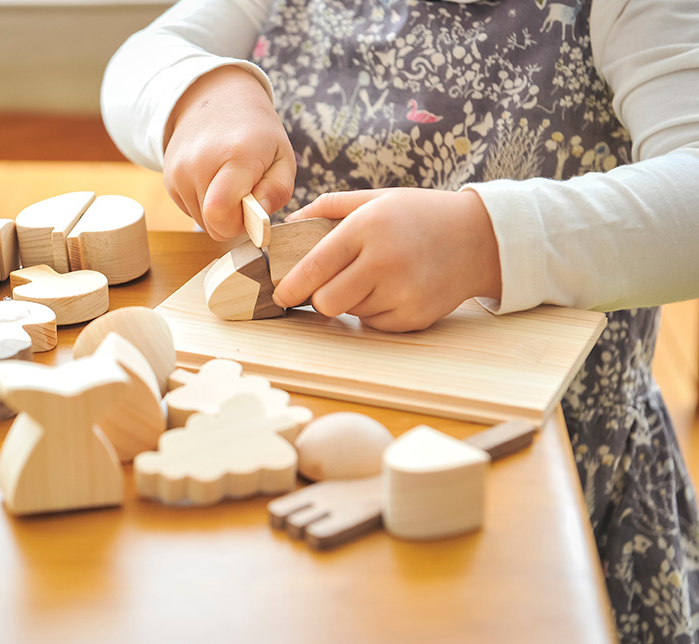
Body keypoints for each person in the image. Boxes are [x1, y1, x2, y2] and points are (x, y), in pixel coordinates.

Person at [101, 1, 699, 641]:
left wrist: (486, 243)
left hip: (540, 471)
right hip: (277, 437)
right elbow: (142, 58)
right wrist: (203, 95)